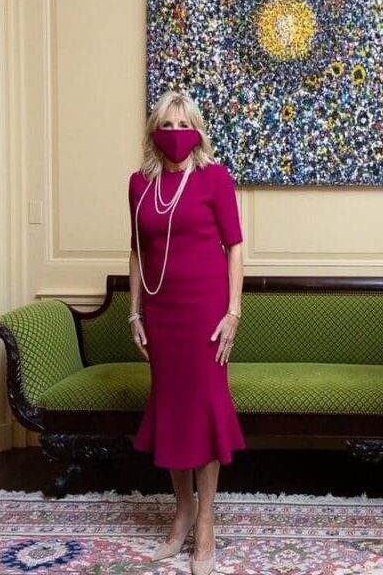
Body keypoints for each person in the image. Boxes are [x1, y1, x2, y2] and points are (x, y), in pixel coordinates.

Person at [128, 91, 245, 575]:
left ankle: (206, 524)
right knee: (173, 413)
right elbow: (135, 251)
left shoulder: (215, 178)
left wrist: (233, 312)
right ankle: (182, 512)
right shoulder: (139, 184)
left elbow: (235, 247)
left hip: (205, 314)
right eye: (167, 125)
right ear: (154, 130)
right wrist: (134, 313)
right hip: (161, 313)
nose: (175, 134)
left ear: (196, 130)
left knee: (203, 412)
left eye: (183, 125)